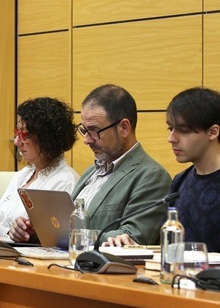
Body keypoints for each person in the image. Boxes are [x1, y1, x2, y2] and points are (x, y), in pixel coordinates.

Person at [9, 84, 171, 246]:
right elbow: (64, 228)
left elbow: (132, 237)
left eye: (94, 130)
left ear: (124, 128)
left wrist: (77, 237)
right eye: (84, 130)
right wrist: (33, 232)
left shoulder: (151, 176)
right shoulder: (90, 172)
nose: (86, 140)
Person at [109, 87, 220, 249]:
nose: (171, 138)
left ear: (213, 132)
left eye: (183, 131)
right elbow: (172, 247)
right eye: (171, 128)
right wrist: (136, 248)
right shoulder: (180, 182)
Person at [0, 97, 79, 241]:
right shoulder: (22, 175)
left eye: (24, 135)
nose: (17, 142)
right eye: (17, 133)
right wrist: (7, 233)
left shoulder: (66, 182)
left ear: (46, 139)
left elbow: (53, 240)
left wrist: (12, 234)